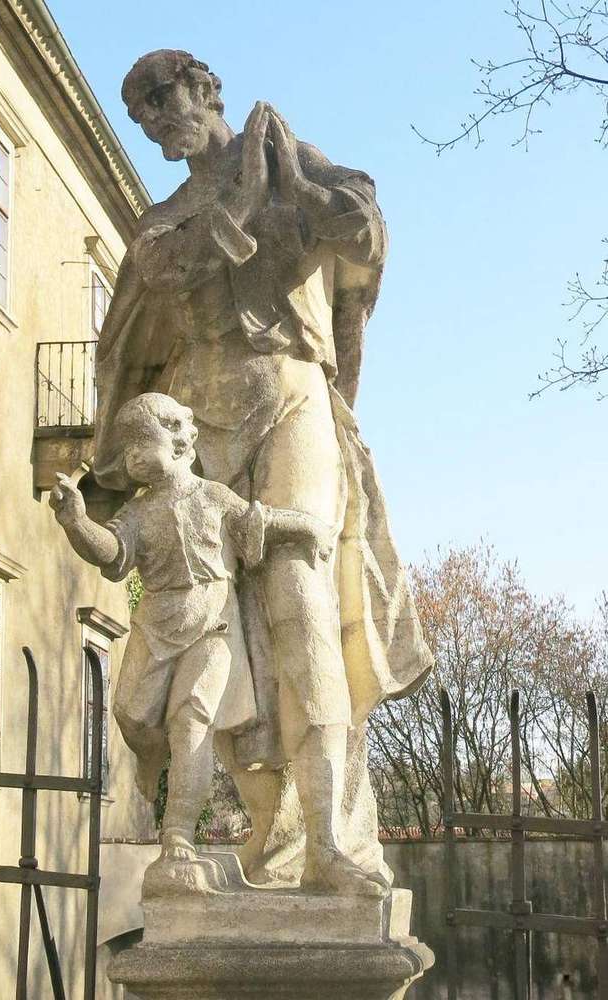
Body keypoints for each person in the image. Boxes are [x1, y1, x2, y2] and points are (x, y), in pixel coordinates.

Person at [90, 50, 434, 893]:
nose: (155, 119)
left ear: (207, 90)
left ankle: (328, 843)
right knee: (220, 622)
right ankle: (269, 838)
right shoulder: (165, 218)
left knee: (297, 593)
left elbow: (363, 231)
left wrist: (303, 189)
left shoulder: (291, 162)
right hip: (199, 411)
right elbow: (164, 272)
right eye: (140, 113)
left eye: (163, 97)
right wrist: (245, 194)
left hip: (289, 390)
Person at [50, 392, 334, 890]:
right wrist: (76, 521)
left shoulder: (213, 497)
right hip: (157, 622)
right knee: (131, 715)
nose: (132, 456)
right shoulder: (137, 512)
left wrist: (308, 527)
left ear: (179, 443)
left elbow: (259, 522)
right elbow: (112, 553)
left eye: (141, 443)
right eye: (127, 447)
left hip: (212, 624)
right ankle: (151, 760)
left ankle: (178, 832)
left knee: (192, 722)